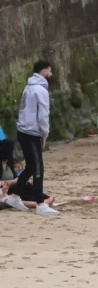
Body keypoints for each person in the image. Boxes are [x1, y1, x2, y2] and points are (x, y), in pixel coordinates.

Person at [11, 61, 58, 215]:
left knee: (31, 166)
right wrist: (44, 133)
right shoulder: (40, 90)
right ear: (44, 72)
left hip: (23, 131)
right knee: (38, 168)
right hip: (31, 133)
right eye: (50, 71)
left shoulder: (28, 87)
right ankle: (40, 204)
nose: (51, 75)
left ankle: (15, 196)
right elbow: (43, 115)